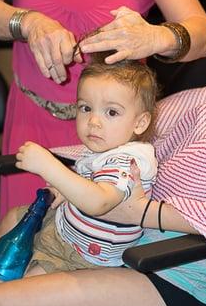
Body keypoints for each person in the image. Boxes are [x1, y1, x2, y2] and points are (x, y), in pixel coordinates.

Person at [0, 0, 206, 306]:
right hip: (122, 233)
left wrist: (141, 211)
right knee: (17, 222)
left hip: (175, 269)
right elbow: (139, 133)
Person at [0, 0, 206, 220]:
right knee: (20, 240)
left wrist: (156, 36)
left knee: (96, 247)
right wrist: (27, 22)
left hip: (113, 134)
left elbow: (204, 34)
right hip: (33, 123)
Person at [13, 56, 159, 273]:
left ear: (140, 123)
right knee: (9, 232)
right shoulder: (105, 148)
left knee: (17, 295)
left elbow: (98, 202)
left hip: (83, 258)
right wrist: (64, 190)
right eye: (85, 108)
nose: (93, 121)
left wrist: (48, 166)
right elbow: (88, 182)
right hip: (65, 232)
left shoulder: (129, 161)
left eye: (111, 112)